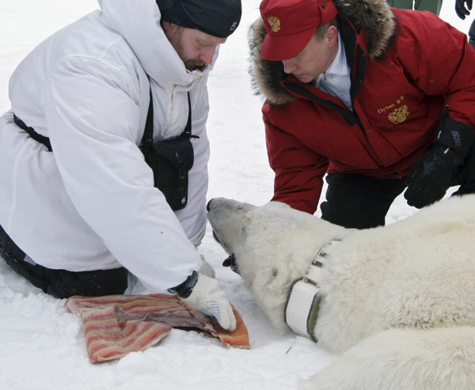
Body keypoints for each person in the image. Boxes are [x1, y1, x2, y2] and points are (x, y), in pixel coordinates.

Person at [0, 0, 241, 331]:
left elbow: (191, 154)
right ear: (168, 23)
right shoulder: (92, 65)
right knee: (93, 283)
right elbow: (111, 182)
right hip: (45, 182)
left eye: (217, 46)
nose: (210, 58)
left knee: (140, 267)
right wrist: (184, 277)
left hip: (103, 177)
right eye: (203, 44)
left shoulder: (186, 61)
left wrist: (187, 249)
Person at [249, 0, 475, 230]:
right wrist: (271, 237)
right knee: (342, 247)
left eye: (296, 52)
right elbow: (296, 183)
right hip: (362, 172)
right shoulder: (284, 102)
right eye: (278, 53)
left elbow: (467, 78)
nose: (287, 67)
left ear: (330, 36)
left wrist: (447, 153)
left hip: (436, 141)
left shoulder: (404, 36)